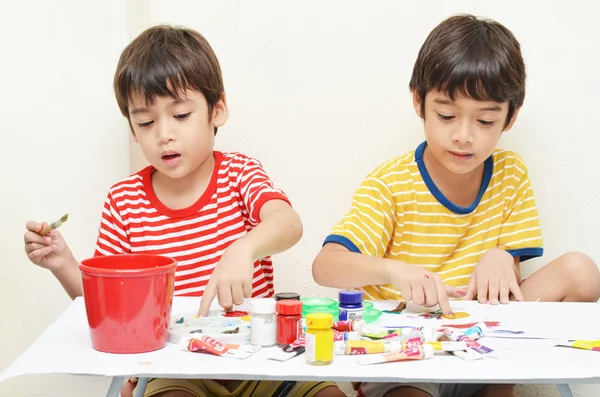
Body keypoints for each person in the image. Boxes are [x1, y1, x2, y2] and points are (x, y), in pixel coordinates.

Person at [24, 25, 345, 397]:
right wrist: (62, 262)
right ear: (132, 128)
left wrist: (244, 248)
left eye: (180, 115)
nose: (163, 134)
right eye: (146, 122)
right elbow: (106, 305)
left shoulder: (239, 174)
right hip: (174, 368)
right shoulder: (125, 200)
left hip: (262, 362)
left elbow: (288, 223)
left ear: (217, 110)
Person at [312, 14, 600, 397]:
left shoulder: (509, 173)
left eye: (484, 120)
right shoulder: (391, 183)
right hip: (407, 356)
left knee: (581, 271)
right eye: (446, 116)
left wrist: (501, 256)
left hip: (481, 340)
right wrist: (393, 271)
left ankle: (496, 387)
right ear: (419, 101)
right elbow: (326, 265)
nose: (463, 136)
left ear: (510, 117)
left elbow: (505, 289)